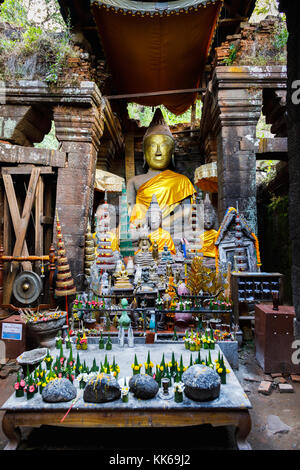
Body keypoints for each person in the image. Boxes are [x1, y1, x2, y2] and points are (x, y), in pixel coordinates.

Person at [127, 108, 196, 229]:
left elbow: (187, 212)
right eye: (153, 146)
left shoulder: (182, 181)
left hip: (172, 230)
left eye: (163, 146)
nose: (158, 152)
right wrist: (141, 224)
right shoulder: (134, 181)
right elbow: (129, 213)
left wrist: (163, 223)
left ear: (172, 152)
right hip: (142, 231)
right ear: (145, 152)